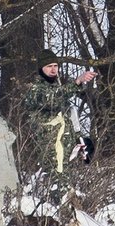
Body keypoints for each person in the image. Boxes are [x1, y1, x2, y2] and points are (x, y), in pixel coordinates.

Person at [21, 49, 97, 214]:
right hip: (48, 149)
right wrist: (77, 81)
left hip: (63, 148)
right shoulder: (35, 89)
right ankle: (56, 218)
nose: (54, 69)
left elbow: (67, 116)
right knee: (56, 186)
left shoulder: (58, 87)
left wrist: (80, 141)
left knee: (66, 185)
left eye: (56, 66)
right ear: (41, 68)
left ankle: (66, 218)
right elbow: (52, 99)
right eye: (49, 66)